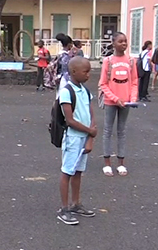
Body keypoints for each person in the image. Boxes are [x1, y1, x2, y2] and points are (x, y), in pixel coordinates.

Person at [57, 56, 97, 225]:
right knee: (68, 171)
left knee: (78, 171)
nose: (89, 75)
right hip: (73, 137)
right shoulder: (67, 91)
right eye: (85, 71)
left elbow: (91, 114)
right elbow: (70, 120)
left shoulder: (85, 91)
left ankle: (76, 203)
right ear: (73, 72)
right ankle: (64, 208)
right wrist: (90, 131)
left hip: (84, 137)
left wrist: (90, 136)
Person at [99, 32, 138, 177]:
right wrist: (116, 99)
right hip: (111, 101)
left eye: (125, 41)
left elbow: (134, 81)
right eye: (120, 41)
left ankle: (121, 163)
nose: (124, 44)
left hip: (126, 102)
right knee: (107, 131)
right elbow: (103, 83)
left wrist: (132, 98)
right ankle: (107, 163)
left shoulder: (132, 61)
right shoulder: (108, 61)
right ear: (113, 43)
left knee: (122, 131)